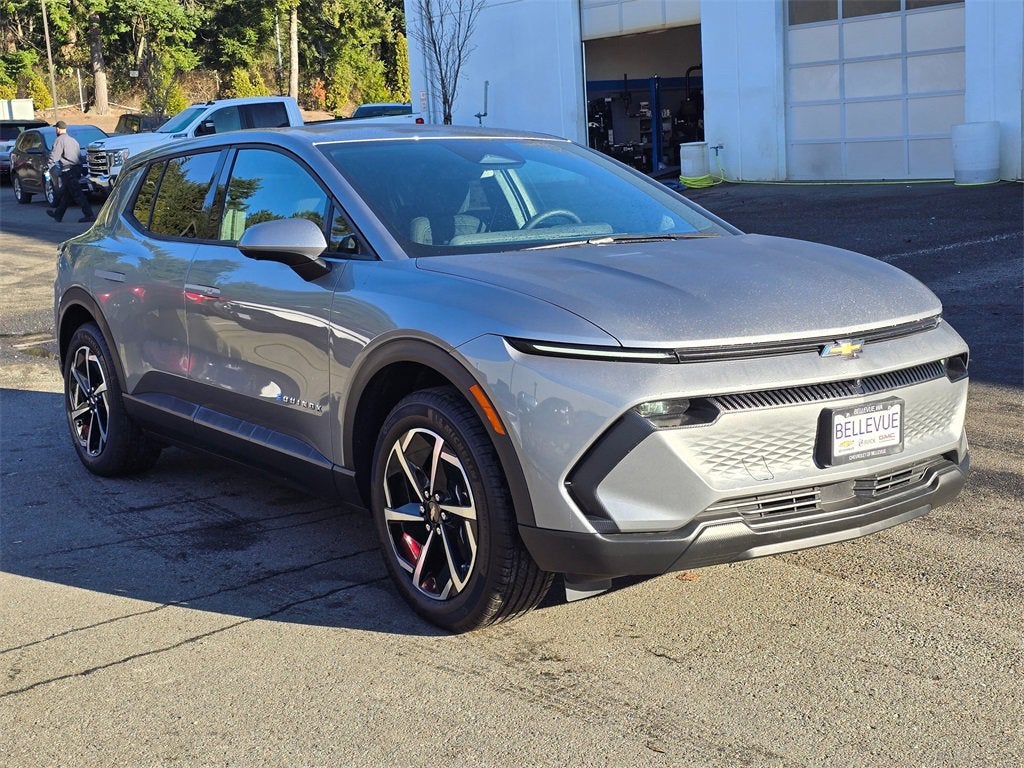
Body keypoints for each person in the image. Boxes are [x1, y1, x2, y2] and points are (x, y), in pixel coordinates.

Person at [46, 120, 94, 223]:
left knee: (77, 193)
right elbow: (79, 156)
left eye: (56, 129)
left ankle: (89, 214)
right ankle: (58, 214)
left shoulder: (59, 140)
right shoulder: (73, 140)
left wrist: (48, 167)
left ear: (58, 129)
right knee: (66, 194)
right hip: (76, 168)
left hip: (68, 170)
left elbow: (54, 156)